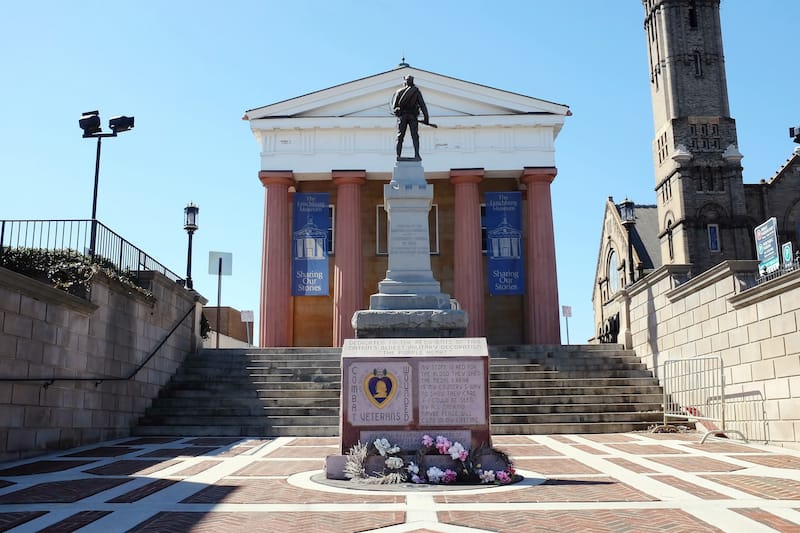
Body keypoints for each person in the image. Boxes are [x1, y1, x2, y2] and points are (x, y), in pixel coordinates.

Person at [391, 75, 430, 160]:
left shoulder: (401, 92)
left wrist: (397, 110)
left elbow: (394, 107)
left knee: (401, 136)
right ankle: (414, 155)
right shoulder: (414, 91)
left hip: (406, 116)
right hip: (410, 116)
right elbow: (422, 105)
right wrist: (426, 118)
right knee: (412, 136)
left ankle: (401, 155)